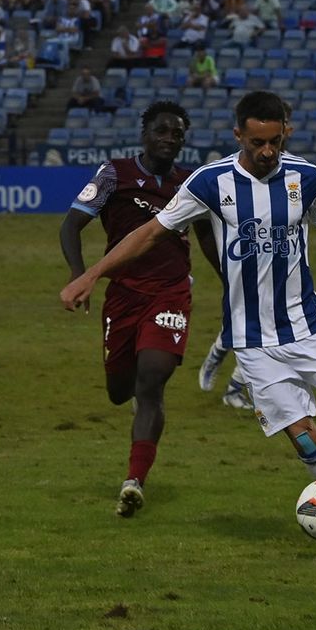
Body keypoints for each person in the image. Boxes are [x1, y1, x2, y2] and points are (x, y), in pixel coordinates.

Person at [60, 91, 316, 555]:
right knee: (305, 439)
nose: (267, 151)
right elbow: (151, 232)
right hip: (252, 343)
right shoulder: (210, 182)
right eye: (257, 141)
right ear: (238, 134)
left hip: (308, 327)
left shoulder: (307, 178)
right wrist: (92, 275)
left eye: (275, 141)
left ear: (287, 132)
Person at [57, 102, 218, 516]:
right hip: (123, 295)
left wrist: (233, 282)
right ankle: (132, 393)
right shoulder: (114, 174)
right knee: (119, 390)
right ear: (145, 133)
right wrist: (80, 275)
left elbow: (206, 239)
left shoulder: (191, 183)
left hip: (171, 292)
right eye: (162, 131)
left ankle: (134, 481)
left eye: (177, 134)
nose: (169, 139)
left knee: (153, 379)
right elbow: (71, 224)